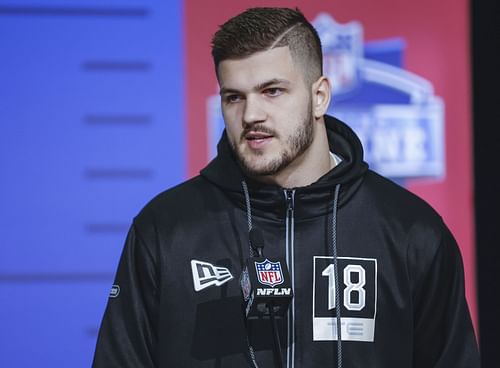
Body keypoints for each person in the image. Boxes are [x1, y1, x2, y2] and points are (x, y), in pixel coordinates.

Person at [93, 7, 480, 367]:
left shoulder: (411, 231)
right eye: (234, 97)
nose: (251, 115)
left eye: (272, 91)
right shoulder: (166, 229)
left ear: (319, 96)